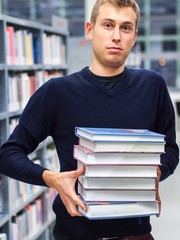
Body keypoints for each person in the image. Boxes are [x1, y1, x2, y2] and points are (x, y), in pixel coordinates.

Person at [0, 0, 179, 239]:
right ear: (89, 30)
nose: (116, 36)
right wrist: (52, 178)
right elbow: (8, 154)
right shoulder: (56, 92)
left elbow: (170, 149)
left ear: (134, 36)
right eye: (108, 25)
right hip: (75, 232)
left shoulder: (152, 86)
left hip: (135, 233)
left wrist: (155, 173)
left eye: (125, 28)